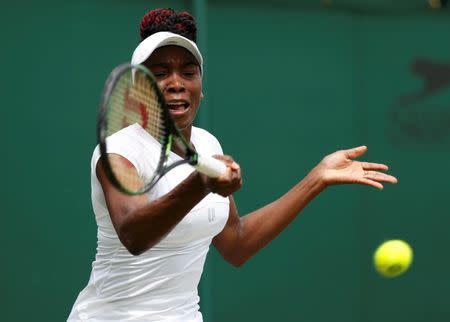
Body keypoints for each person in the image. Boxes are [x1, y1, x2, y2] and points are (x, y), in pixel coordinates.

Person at [68, 8, 398, 322]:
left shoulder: (207, 145)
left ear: (200, 88)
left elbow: (236, 244)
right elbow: (133, 234)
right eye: (159, 73)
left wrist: (316, 179)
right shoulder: (118, 152)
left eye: (188, 72)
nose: (176, 82)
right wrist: (201, 184)